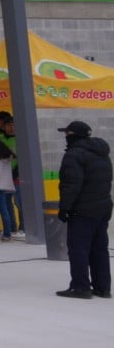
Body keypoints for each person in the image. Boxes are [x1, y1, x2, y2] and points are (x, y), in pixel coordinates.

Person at [54, 120, 112, 300]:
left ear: (72, 135)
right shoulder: (102, 153)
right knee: (99, 249)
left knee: (78, 249)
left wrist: (64, 208)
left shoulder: (74, 155)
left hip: (82, 210)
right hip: (102, 208)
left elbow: (71, 185)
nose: (65, 137)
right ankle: (102, 288)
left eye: (67, 134)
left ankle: (81, 287)